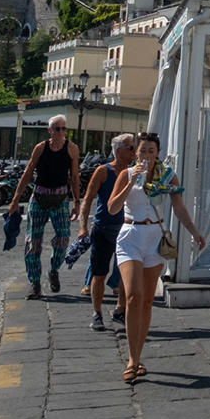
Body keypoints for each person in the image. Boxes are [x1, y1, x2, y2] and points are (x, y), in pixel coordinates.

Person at [106, 132, 204, 383]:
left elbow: (179, 207)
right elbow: (113, 207)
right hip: (130, 235)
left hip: (155, 236)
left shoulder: (167, 176)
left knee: (147, 300)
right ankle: (131, 359)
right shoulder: (127, 175)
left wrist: (194, 232)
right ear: (135, 152)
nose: (146, 155)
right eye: (142, 151)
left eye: (151, 151)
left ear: (158, 153)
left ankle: (137, 358)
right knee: (133, 296)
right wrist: (131, 182)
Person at [9, 114, 84, 300]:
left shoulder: (72, 149)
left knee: (64, 238)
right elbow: (28, 173)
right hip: (40, 197)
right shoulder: (41, 148)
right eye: (57, 128)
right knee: (33, 241)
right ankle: (35, 283)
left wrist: (77, 203)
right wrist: (15, 200)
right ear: (49, 130)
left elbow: (74, 177)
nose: (61, 132)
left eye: (63, 128)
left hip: (60, 198)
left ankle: (54, 269)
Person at [77, 134, 137, 331]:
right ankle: (97, 313)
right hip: (103, 228)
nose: (134, 151)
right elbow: (88, 198)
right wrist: (83, 226)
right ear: (118, 151)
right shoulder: (104, 171)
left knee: (124, 273)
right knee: (99, 273)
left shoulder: (133, 172)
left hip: (126, 229)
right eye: (130, 148)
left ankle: (120, 309)